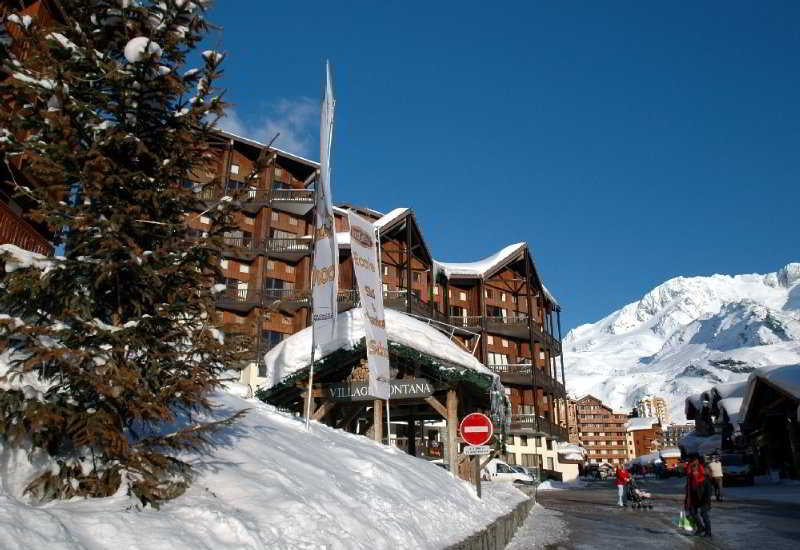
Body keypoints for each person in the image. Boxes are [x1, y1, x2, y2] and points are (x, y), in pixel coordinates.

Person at [684, 454, 713, 537]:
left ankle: (708, 532)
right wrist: (687, 500)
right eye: (693, 470)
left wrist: (706, 500)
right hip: (694, 498)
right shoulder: (691, 478)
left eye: (695, 470)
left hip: (704, 499)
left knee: (704, 514)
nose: (694, 471)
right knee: (692, 513)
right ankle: (700, 528)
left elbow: (709, 490)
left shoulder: (704, 478)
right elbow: (689, 490)